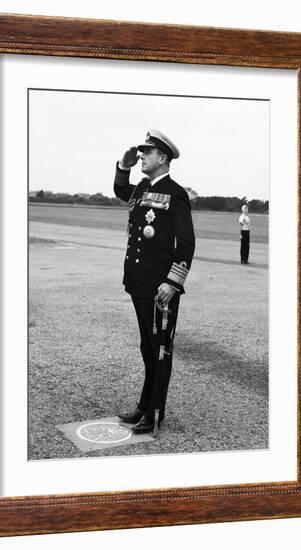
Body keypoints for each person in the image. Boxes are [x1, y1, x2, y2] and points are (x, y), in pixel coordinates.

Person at [113, 130, 196, 435]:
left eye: (146, 152)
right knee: (148, 348)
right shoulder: (142, 189)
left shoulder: (175, 193)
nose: (142, 157)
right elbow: (121, 190)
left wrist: (173, 283)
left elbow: (186, 242)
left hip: (161, 288)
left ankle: (155, 414)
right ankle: (143, 408)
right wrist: (123, 167)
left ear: (162, 158)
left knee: (160, 350)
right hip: (138, 282)